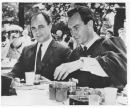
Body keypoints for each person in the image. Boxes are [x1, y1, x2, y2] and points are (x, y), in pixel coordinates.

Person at [53, 6, 127, 90]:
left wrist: (81, 63)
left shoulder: (110, 43)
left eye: (76, 28)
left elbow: (123, 71)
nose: (73, 34)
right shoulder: (74, 54)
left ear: (90, 24)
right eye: (70, 29)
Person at [6, 12, 71, 82]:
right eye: (33, 28)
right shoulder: (26, 50)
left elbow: (69, 82)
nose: (37, 32)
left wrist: (51, 84)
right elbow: (14, 73)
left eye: (41, 27)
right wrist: (11, 79)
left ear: (49, 26)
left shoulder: (64, 51)